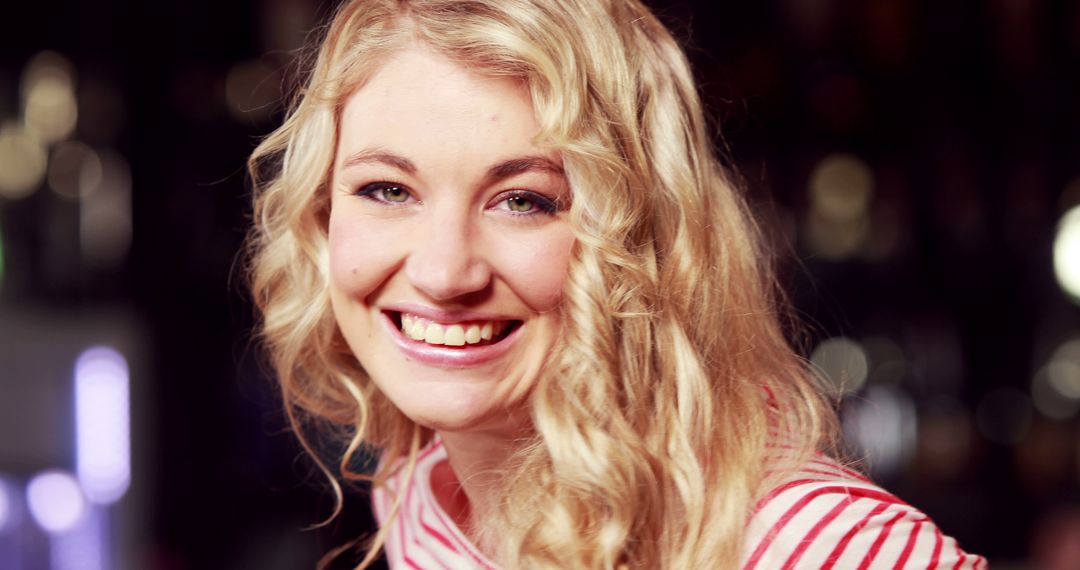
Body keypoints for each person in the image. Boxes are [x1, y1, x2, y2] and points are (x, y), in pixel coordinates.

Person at [247, 0, 986, 568]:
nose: (444, 273)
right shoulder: (419, 501)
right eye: (387, 190)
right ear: (319, 212)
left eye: (524, 201)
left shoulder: (814, 545)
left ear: (643, 238)